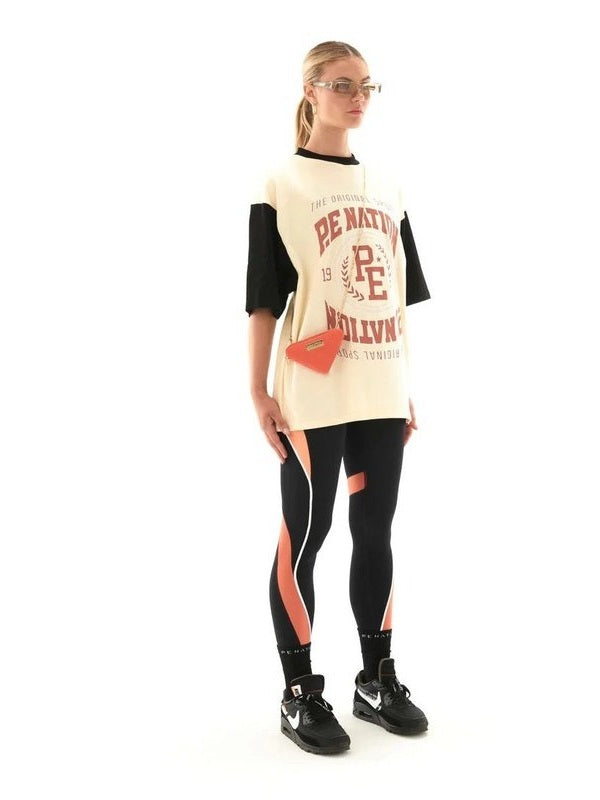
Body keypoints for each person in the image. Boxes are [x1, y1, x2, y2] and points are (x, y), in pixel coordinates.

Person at [245, 40, 432, 755]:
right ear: (312, 90)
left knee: (375, 531)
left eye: (367, 86)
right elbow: (265, 298)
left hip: (380, 381)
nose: (358, 97)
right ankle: (298, 691)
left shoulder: (388, 185)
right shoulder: (282, 182)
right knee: (307, 532)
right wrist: (258, 390)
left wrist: (405, 387)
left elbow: (397, 298)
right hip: (313, 383)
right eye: (343, 85)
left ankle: (376, 679)